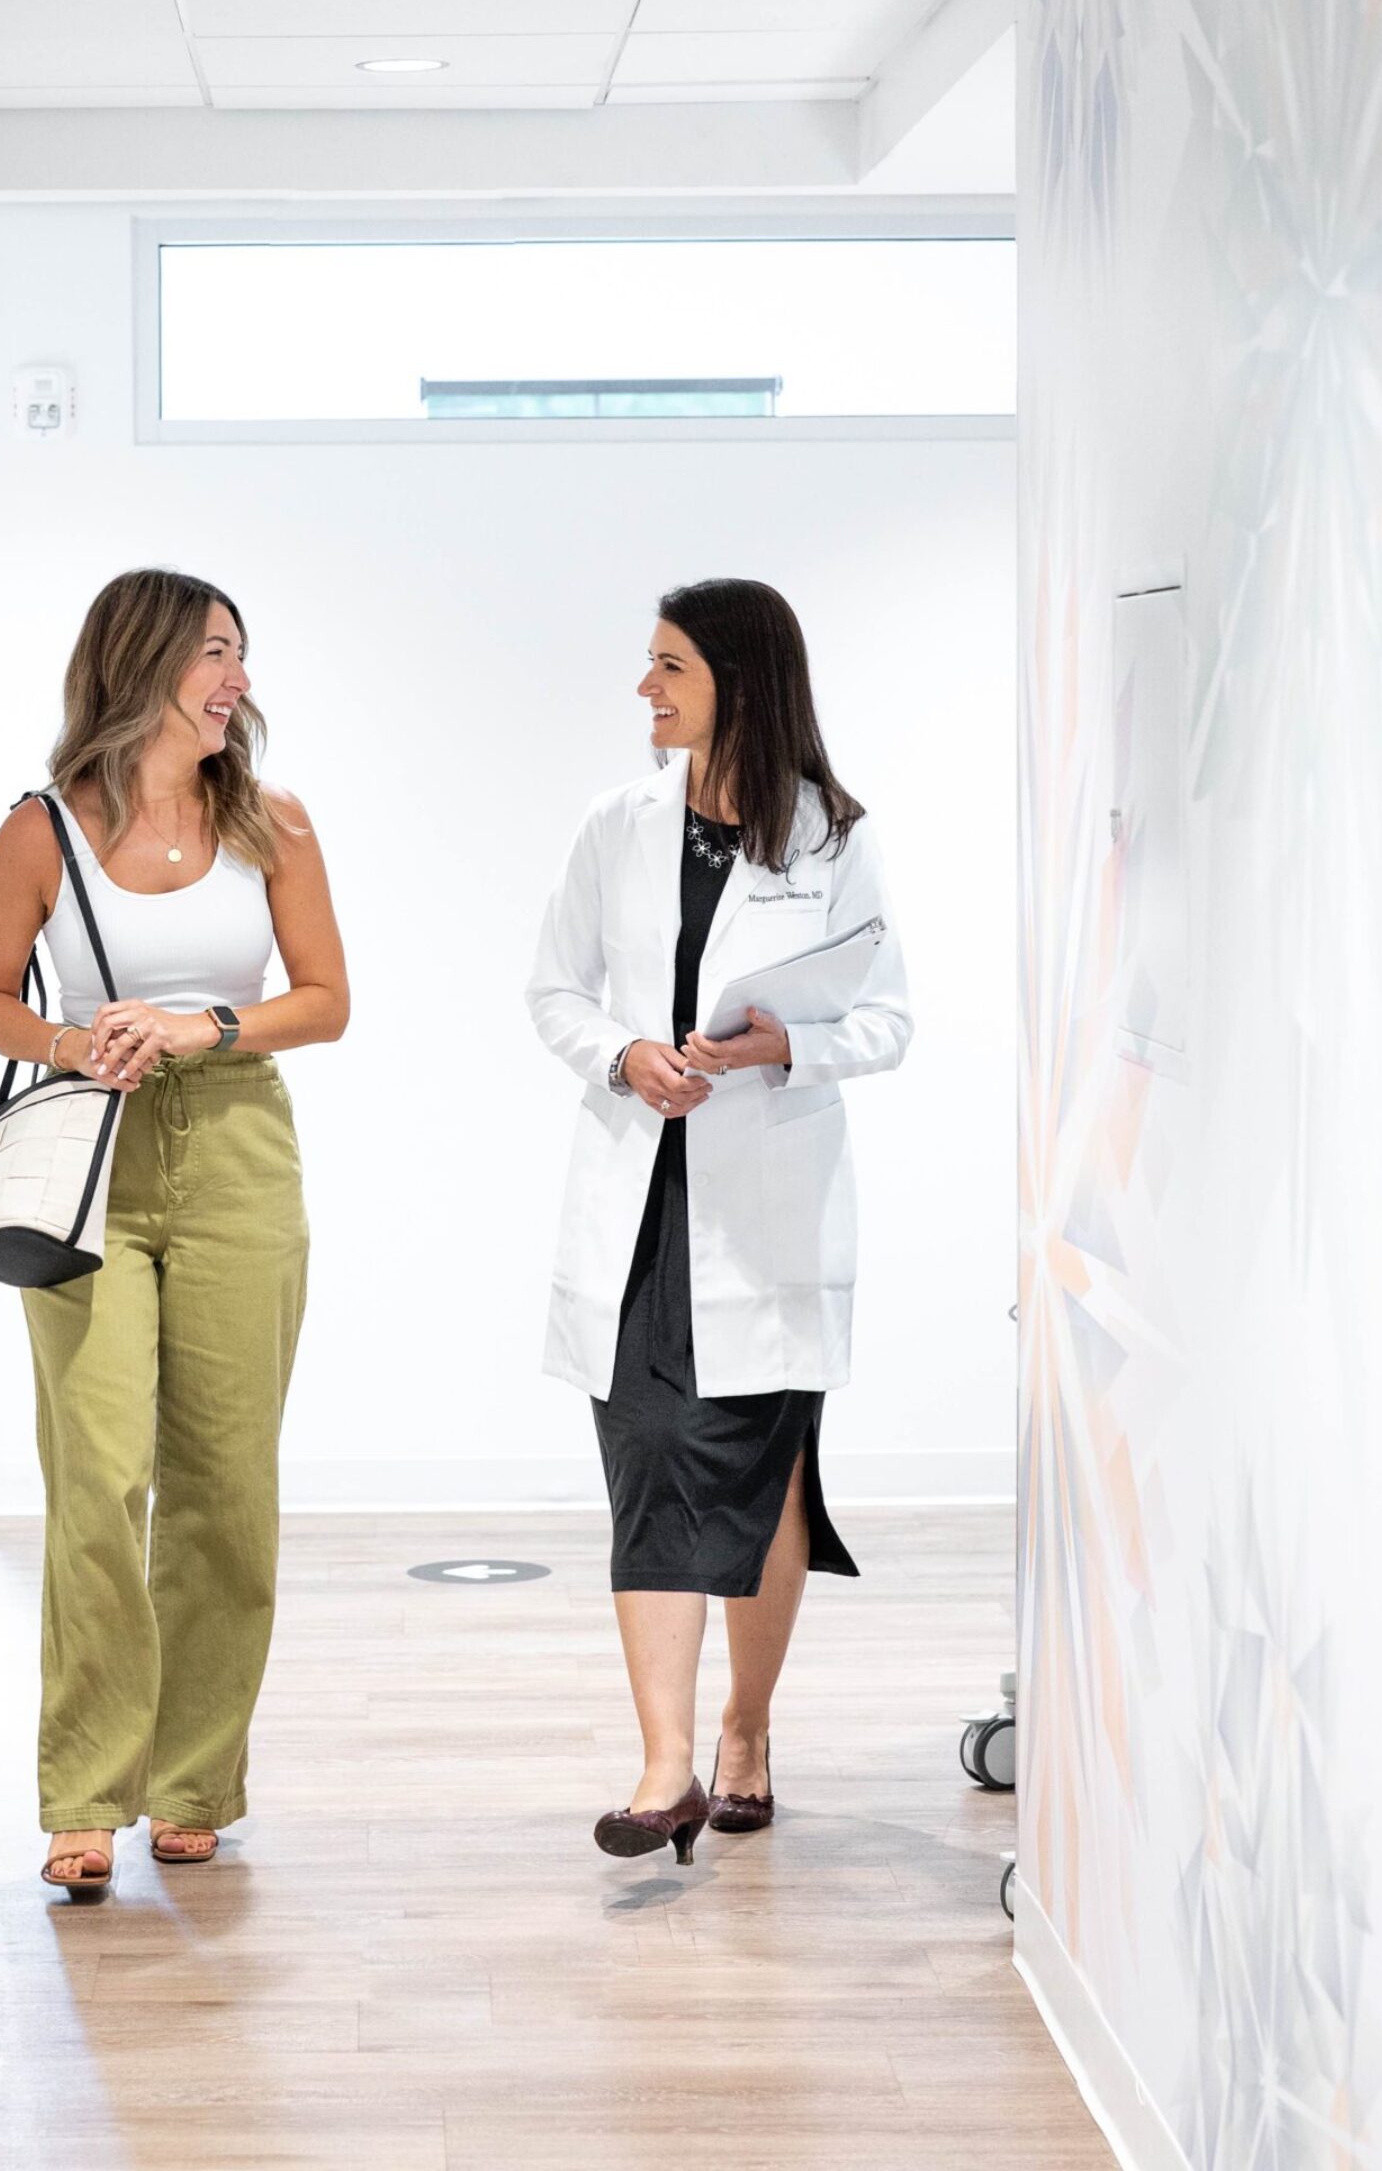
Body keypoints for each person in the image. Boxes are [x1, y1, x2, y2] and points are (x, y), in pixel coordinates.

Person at [0, 568, 349, 1900]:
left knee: (227, 1481)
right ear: (140, 668)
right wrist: (79, 1039)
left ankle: (193, 1783)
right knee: (98, 1477)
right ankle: (84, 1790)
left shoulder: (272, 824)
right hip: (89, 1154)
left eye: (241, 653)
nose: (235, 679)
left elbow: (326, 1000)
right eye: (212, 656)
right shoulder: (40, 832)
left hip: (240, 1144)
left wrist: (205, 1026)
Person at [525, 577, 911, 1862]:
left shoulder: (830, 837)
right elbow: (552, 989)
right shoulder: (615, 824)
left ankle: (745, 1731)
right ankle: (661, 1768)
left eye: (670, 668)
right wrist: (625, 1053)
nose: (646, 689)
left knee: (760, 1476)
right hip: (640, 1199)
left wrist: (772, 1050)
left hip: (765, 1206)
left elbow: (888, 1020)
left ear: (738, 682)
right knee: (647, 1468)